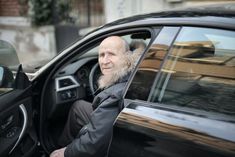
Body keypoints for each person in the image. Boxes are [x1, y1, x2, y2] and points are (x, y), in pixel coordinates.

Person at [50, 36, 137, 157]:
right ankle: (65, 143)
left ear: (127, 57)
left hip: (114, 137)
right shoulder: (133, 73)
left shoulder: (115, 95)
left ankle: (61, 149)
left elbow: (95, 142)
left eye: (111, 54)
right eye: (101, 55)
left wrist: (66, 152)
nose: (104, 61)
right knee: (78, 107)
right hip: (122, 123)